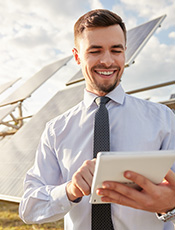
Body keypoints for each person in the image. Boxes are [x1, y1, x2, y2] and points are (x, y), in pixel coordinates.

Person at [19, 9, 175, 230]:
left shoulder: (163, 119)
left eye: (116, 50)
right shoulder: (56, 130)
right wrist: (70, 190)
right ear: (77, 56)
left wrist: (170, 206)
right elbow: (29, 208)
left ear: (125, 54)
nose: (107, 60)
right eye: (95, 50)